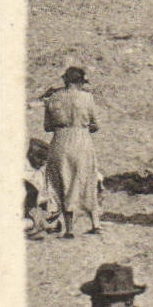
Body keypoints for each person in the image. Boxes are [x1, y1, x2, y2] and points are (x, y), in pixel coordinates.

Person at [43, 66, 101, 238]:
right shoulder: (87, 97)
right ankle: (95, 223)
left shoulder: (53, 98)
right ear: (80, 82)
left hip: (60, 141)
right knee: (87, 179)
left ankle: (69, 229)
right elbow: (95, 125)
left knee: (62, 182)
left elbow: (47, 127)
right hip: (81, 140)